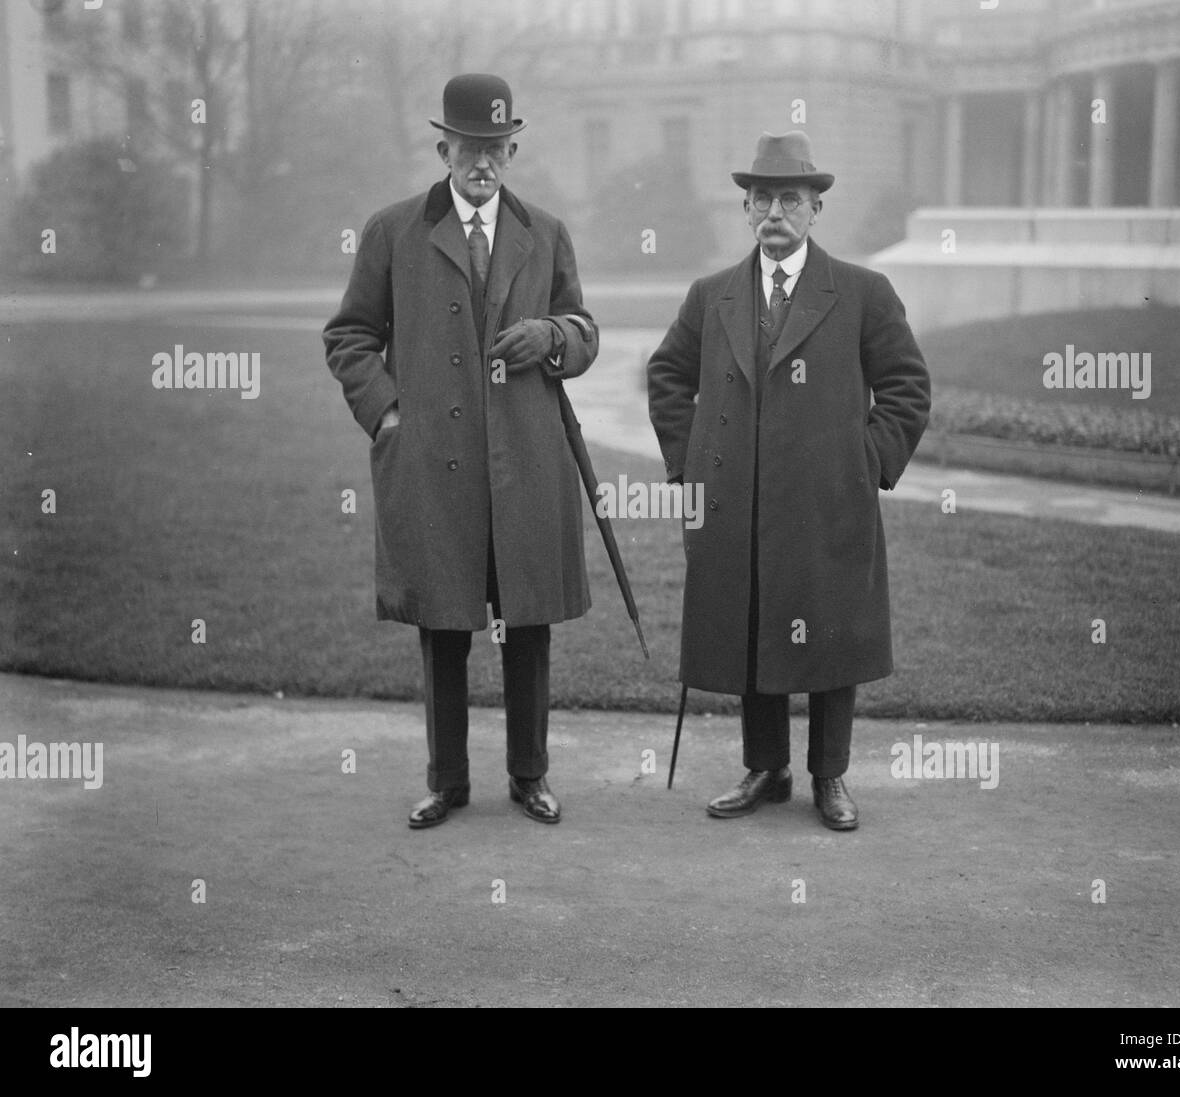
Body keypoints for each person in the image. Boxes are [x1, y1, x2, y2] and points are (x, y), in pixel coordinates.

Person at [324, 73, 598, 829]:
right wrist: (385, 416)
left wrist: (553, 336)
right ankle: (446, 781)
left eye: (497, 146)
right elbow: (349, 337)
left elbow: (585, 329)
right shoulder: (393, 232)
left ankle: (530, 774)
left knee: (528, 620)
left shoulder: (545, 232)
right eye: (470, 145)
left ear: (513, 148)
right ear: (443, 146)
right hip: (433, 460)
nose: (484, 160)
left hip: (526, 458)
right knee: (443, 622)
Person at [647, 131, 930, 831]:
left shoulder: (862, 293)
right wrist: (692, 466)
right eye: (762, 198)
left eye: (791, 199)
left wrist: (864, 464)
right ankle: (765, 768)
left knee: (831, 632)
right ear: (746, 208)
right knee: (752, 628)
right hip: (736, 502)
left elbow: (906, 388)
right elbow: (666, 377)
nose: (776, 211)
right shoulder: (712, 296)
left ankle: (828, 775)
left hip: (828, 504)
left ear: (815, 209)